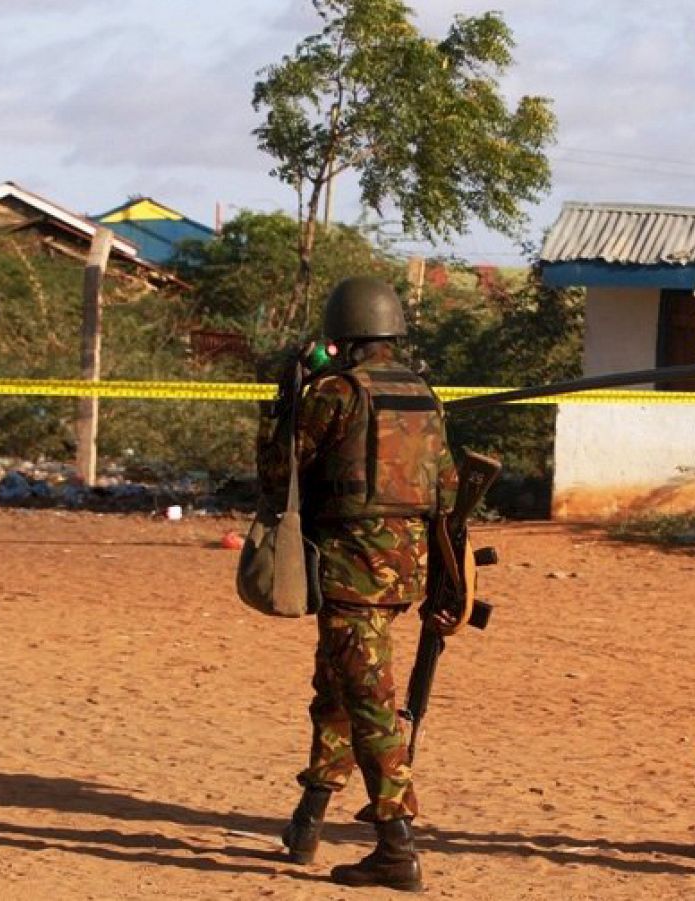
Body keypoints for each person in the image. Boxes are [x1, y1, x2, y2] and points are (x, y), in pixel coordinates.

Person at [260, 276, 457, 892]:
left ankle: (397, 846)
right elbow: (447, 488)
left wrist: (284, 402)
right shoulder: (423, 395)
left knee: (370, 705)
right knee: (339, 689)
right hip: (406, 573)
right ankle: (308, 821)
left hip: (351, 572)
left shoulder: (336, 393)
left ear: (341, 333)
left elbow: (276, 474)